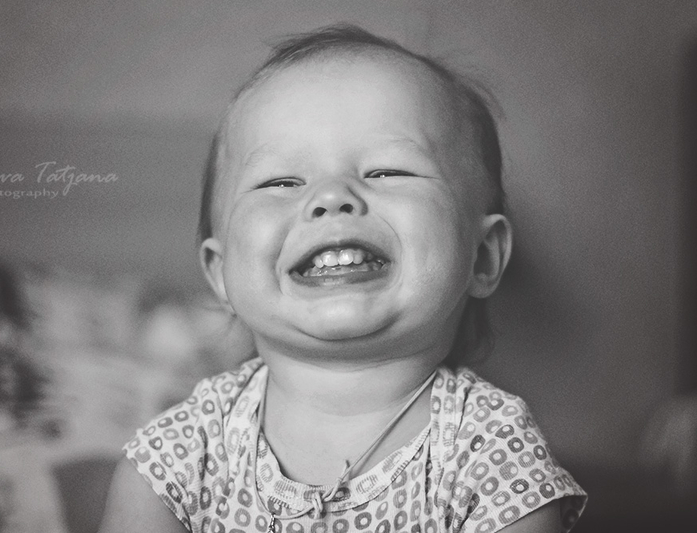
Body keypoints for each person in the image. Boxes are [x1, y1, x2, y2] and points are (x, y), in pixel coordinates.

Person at [100, 24, 587, 533]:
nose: (332, 196)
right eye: (282, 181)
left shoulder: (494, 454)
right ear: (221, 275)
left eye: (387, 171)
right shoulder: (177, 459)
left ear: (482, 256)